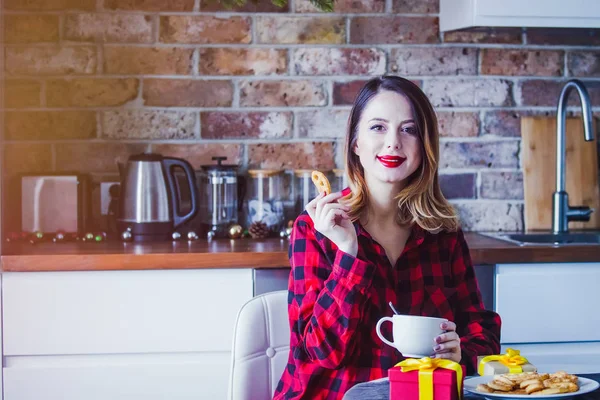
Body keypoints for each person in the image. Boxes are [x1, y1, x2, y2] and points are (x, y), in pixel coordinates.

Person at [273, 76, 501, 400]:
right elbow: (322, 352)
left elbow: (482, 331)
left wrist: (461, 352)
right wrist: (348, 253)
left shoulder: (443, 234)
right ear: (355, 143)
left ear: (424, 145)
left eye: (408, 129)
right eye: (378, 127)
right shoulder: (315, 231)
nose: (393, 142)